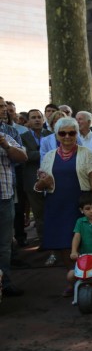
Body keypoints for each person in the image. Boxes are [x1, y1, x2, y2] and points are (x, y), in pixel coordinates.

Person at [36, 117, 92, 296]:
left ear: (76, 134)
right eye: (62, 133)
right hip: (56, 204)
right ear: (56, 135)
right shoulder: (49, 156)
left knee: (85, 240)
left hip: (80, 203)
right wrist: (42, 182)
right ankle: (73, 279)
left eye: (72, 133)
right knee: (64, 243)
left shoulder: (86, 153)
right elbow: (41, 183)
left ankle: (89, 276)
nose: (67, 136)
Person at [0, 98, 27, 298]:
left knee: (4, 245)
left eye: (3, 107)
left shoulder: (7, 133)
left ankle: (5, 283)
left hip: (5, 197)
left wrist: (6, 147)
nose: (3, 110)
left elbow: (23, 157)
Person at [20, 109, 50, 244]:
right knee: (39, 214)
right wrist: (45, 153)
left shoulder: (51, 135)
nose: (37, 120)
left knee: (52, 211)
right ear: (28, 121)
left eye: (39, 117)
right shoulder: (22, 137)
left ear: (43, 120)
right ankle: (44, 241)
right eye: (33, 117)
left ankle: (55, 241)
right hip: (32, 180)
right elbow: (26, 156)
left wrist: (36, 153)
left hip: (51, 179)